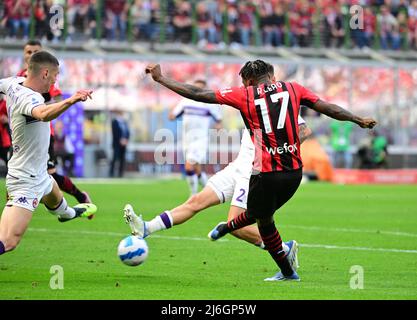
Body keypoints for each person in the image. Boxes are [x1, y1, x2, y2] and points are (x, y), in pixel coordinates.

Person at [143, 60, 376, 281]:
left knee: (251, 220)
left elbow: (200, 94)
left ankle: (241, 234)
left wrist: (161, 79)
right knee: (236, 212)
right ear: (270, 76)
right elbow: (328, 108)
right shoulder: (292, 89)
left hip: (262, 172)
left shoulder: (245, 95)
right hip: (281, 170)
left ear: (249, 81)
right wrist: (358, 120)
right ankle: (283, 267)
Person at [123, 64, 311, 273]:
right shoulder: (252, 98)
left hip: (255, 172)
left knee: (234, 225)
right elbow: (199, 94)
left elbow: (304, 130)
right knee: (195, 201)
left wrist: (277, 150)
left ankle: (284, 250)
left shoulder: (280, 101)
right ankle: (147, 228)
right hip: (239, 166)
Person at [0, 51, 97, 255]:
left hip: (39, 174)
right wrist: (71, 100)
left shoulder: (13, 83)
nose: (55, 80)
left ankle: (69, 213)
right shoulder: (30, 98)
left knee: (55, 196)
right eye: (55, 75)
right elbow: (43, 114)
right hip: (26, 180)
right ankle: (68, 212)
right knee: (8, 241)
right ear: (45, 73)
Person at [17, 40, 92, 205]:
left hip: (43, 133)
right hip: (22, 135)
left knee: (50, 174)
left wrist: (47, 114)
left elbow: (57, 98)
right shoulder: (17, 79)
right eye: (29, 52)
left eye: (36, 52)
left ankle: (79, 198)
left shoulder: (46, 77)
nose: (31, 55)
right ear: (24, 55)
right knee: (18, 170)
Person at [169, 79, 222, 196]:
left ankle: (193, 195)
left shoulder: (209, 103)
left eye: (200, 88)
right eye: (195, 88)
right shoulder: (185, 101)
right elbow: (172, 116)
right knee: (197, 169)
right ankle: (211, 191)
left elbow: (219, 120)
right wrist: (171, 110)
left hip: (200, 139)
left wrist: (218, 128)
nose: (196, 91)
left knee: (189, 165)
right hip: (187, 139)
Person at [109, 110, 130, 178]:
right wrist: (120, 140)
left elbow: (127, 132)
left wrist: (126, 140)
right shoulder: (114, 122)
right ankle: (111, 173)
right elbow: (115, 133)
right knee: (115, 158)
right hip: (117, 144)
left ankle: (120, 173)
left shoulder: (124, 122)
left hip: (124, 144)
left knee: (122, 159)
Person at [0, 95, 11, 169]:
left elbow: (14, 118)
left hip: (4, 139)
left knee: (9, 162)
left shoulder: (5, 104)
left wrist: (7, 120)